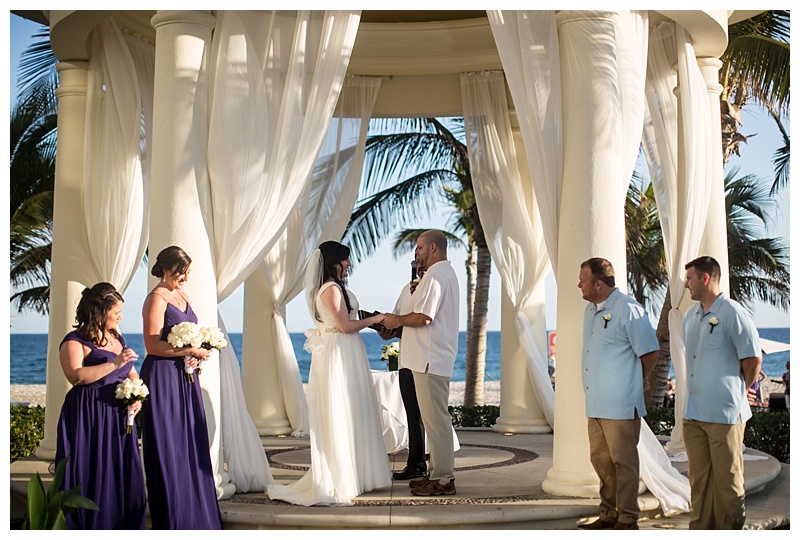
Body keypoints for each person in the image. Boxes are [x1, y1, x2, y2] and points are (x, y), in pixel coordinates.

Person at [267, 240, 391, 506]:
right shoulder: (331, 289)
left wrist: (371, 318)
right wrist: (377, 320)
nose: (348, 264)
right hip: (338, 352)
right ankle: (341, 478)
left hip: (347, 351)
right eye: (345, 260)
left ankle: (357, 475)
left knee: (354, 408)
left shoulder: (338, 287)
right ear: (334, 261)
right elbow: (345, 326)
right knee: (341, 410)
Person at [140, 246, 223, 529]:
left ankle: (196, 510)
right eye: (180, 272)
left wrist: (200, 351)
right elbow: (152, 345)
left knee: (189, 438)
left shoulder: (182, 296)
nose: (185, 277)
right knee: (168, 442)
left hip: (185, 376)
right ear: (165, 269)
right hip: (162, 376)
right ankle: (174, 515)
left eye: (187, 272)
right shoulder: (155, 299)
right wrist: (189, 349)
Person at [55, 282, 147, 529]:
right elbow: (76, 376)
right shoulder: (74, 341)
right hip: (88, 414)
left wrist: (136, 397)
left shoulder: (117, 337)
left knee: (120, 471)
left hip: (117, 415)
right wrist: (114, 364)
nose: (120, 317)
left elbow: (131, 371)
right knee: (91, 470)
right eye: (116, 312)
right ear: (99, 311)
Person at [576, 257, 659, 531]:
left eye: (583, 280)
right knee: (601, 461)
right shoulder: (590, 311)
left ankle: (627, 520)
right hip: (596, 403)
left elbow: (649, 351)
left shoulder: (629, 310)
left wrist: (639, 381)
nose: (579, 285)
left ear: (598, 283)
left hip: (621, 404)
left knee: (624, 463)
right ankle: (608, 513)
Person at [682, 255, 762, 530]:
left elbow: (752, 360)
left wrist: (739, 391)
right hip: (692, 414)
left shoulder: (733, 313)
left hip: (724, 414)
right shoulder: (690, 316)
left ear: (705, 278)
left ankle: (731, 530)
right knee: (699, 480)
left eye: (690, 278)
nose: (686, 284)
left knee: (728, 481)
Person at [383, 230, 460, 496]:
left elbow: (424, 317)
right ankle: (436, 474)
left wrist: (397, 321)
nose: (417, 252)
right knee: (432, 420)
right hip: (427, 357)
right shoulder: (441, 274)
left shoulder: (436, 276)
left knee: (436, 421)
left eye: (420, 247)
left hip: (429, 358)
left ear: (433, 248)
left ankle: (443, 479)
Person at [379, 258, 428, 480]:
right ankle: (415, 464)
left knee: (428, 416)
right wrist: (386, 330)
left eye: (422, 266)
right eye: (417, 268)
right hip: (406, 359)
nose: (419, 270)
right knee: (412, 415)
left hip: (427, 359)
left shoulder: (434, 288)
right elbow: (398, 322)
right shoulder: (405, 291)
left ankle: (435, 466)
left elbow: (426, 322)